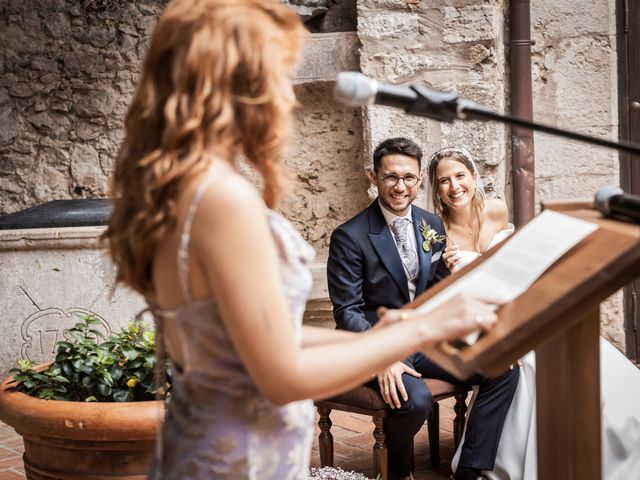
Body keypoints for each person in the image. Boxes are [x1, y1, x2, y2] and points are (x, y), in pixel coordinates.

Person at [103, 2, 502, 479]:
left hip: (214, 437)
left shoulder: (187, 184)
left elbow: (265, 339)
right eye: (277, 74)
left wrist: (400, 329)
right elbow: (279, 372)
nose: (285, 99)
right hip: (239, 455)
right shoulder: (222, 198)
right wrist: (418, 331)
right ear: (236, 83)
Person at [429, 146, 640, 480]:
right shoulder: (436, 232)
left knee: (577, 348)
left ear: (473, 177)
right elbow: (444, 297)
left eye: (460, 176)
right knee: (525, 362)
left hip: (522, 303)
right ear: (435, 189)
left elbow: (518, 265)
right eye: (444, 181)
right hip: (482, 320)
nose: (454, 186)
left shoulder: (495, 210)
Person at [327, 138, 520, 480]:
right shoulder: (350, 236)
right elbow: (348, 311)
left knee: (501, 368)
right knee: (413, 399)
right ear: (374, 176)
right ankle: (399, 473)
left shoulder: (431, 224)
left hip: (425, 339)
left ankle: (470, 469)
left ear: (419, 180)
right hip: (378, 342)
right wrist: (382, 356)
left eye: (409, 178)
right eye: (390, 177)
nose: (400, 187)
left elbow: (435, 293)